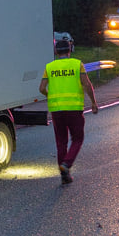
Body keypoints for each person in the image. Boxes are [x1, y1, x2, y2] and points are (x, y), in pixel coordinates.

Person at [39, 37, 99, 184]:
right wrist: (93, 102)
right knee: (77, 139)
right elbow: (87, 84)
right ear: (70, 50)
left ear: (56, 52)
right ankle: (66, 164)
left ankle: (64, 175)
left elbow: (41, 88)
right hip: (74, 108)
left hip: (56, 109)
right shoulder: (77, 64)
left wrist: (51, 97)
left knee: (61, 142)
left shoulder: (49, 67)